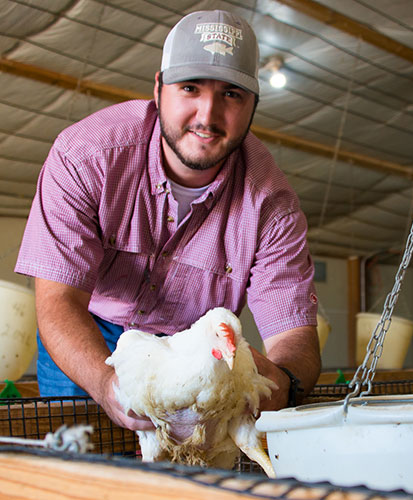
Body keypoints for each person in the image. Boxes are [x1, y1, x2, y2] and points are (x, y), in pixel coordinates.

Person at [15, 9, 321, 433]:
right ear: (159, 89)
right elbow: (57, 302)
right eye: (190, 88)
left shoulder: (271, 204)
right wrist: (106, 385)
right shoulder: (85, 156)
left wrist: (280, 383)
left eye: (231, 94)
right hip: (90, 327)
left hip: (193, 351)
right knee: (78, 460)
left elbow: (295, 339)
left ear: (253, 104)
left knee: (184, 473)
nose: (207, 115)